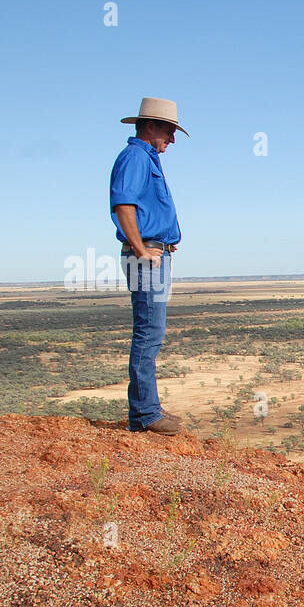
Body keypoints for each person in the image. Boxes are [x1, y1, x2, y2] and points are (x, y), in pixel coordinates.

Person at [110, 97, 189, 435]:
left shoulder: (147, 158)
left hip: (157, 253)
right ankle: (145, 415)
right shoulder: (135, 157)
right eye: (170, 131)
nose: (172, 139)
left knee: (151, 331)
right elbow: (122, 203)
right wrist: (141, 248)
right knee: (149, 332)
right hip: (148, 256)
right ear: (150, 126)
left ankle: (146, 411)